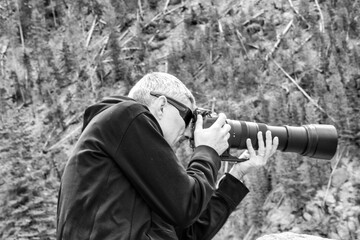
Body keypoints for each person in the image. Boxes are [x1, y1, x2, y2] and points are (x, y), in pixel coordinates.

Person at [56, 72, 279, 240]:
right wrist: (208, 151)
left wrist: (236, 174)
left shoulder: (124, 154)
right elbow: (186, 207)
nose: (186, 132)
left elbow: (189, 232)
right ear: (162, 105)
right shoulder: (129, 116)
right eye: (187, 117)